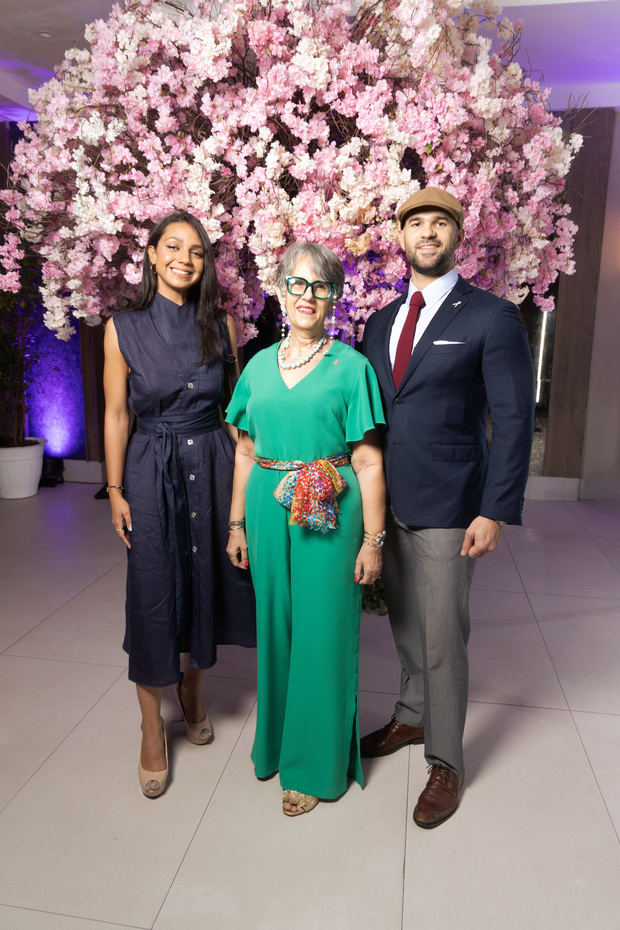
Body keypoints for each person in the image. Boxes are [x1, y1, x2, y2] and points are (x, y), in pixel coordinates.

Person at [361, 187, 534, 828]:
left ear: (456, 236)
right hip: (389, 507)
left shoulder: (491, 316)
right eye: (416, 224)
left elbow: (513, 420)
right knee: (405, 625)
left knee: (442, 639)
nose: (427, 234)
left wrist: (495, 509)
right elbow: (372, 418)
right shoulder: (379, 322)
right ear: (399, 237)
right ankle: (410, 717)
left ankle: (448, 760)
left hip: (453, 506)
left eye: (440, 224)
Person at [225, 242, 386, 816]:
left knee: (322, 633)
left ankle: (313, 765)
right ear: (279, 290)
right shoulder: (258, 365)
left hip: (329, 506)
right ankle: (275, 746)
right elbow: (245, 452)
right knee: (277, 629)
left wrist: (373, 539)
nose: (307, 297)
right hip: (269, 508)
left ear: (334, 296)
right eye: (297, 284)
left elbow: (367, 462)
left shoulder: (352, 368)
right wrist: (237, 522)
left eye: (320, 286)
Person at [103, 211, 256, 798]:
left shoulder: (224, 324)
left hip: (212, 462)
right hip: (149, 464)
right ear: (150, 253)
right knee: (151, 589)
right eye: (173, 247)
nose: (184, 259)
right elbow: (118, 414)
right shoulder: (123, 327)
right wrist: (115, 489)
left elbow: (239, 413)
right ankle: (150, 727)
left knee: (203, 581)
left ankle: (192, 691)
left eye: (196, 251)